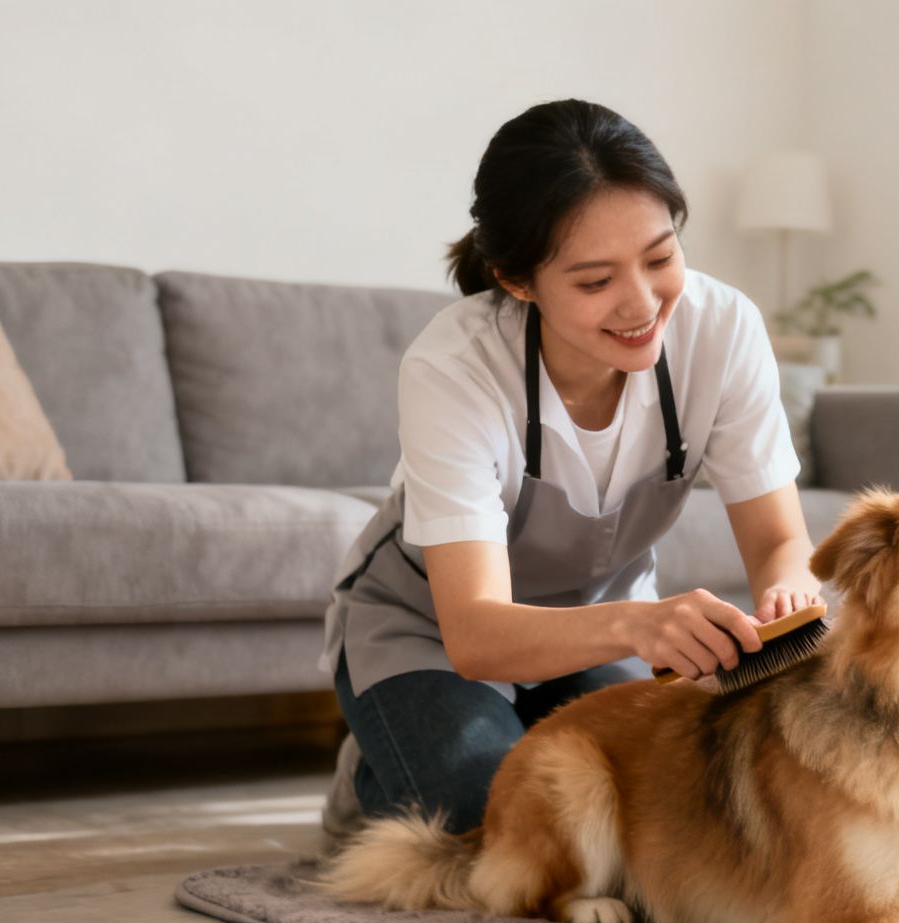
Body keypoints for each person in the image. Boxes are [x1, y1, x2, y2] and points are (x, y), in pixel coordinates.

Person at [319, 99, 821, 840]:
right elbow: (476, 634)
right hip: (433, 633)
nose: (643, 303)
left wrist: (787, 594)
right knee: (498, 820)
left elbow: (780, 539)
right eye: (594, 282)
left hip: (610, 626)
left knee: (663, 816)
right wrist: (644, 625)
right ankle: (378, 766)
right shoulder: (454, 367)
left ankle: (470, 733)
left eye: (660, 257)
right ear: (518, 282)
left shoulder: (722, 328)